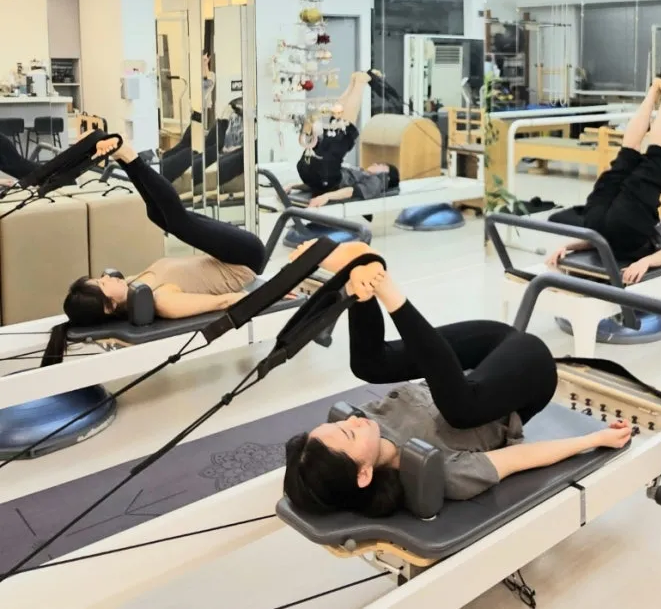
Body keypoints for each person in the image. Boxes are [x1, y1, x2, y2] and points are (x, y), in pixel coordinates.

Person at [283, 241, 632, 518]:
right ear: (363, 475)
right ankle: (382, 284)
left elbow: (427, 371)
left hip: (484, 348)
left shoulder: (370, 421)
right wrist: (595, 438)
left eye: (340, 423)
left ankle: (358, 280)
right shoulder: (441, 474)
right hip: (531, 371)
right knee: (460, 410)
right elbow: (521, 458)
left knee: (369, 366)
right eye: (349, 433)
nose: (354, 420)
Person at [62, 135, 267, 326]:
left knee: (157, 215)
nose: (107, 277)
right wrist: (277, 291)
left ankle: (123, 159)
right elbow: (225, 301)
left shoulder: (133, 285)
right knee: (180, 223)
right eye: (102, 284)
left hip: (225, 257)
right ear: (109, 307)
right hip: (244, 260)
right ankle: (129, 156)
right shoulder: (162, 301)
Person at [546, 78, 661, 285]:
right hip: (597, 224)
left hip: (623, 225)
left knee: (655, 156)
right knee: (628, 154)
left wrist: (645, 262)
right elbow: (600, 240)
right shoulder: (656, 225)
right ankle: (655, 91)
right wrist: (567, 247)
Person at [285, 71, 400, 208]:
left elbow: (350, 191)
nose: (375, 163)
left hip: (326, 176)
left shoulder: (377, 182)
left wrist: (326, 197)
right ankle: (353, 83)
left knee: (345, 130)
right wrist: (294, 186)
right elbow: (316, 184)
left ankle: (360, 82)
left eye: (381, 165)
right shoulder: (362, 173)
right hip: (318, 175)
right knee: (335, 125)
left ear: (387, 174)